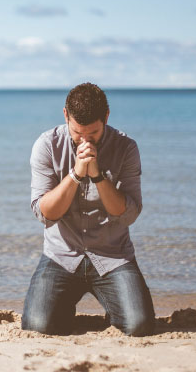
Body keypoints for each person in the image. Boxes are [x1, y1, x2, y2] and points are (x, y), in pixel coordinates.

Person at [21, 82, 155, 336]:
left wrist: (97, 176)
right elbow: (45, 213)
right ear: (65, 116)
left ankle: (114, 306)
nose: (84, 141)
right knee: (37, 328)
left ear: (106, 117)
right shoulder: (47, 144)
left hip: (112, 256)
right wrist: (75, 174)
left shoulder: (126, 147)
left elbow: (128, 214)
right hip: (61, 255)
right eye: (77, 132)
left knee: (139, 326)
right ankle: (61, 308)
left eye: (92, 133)